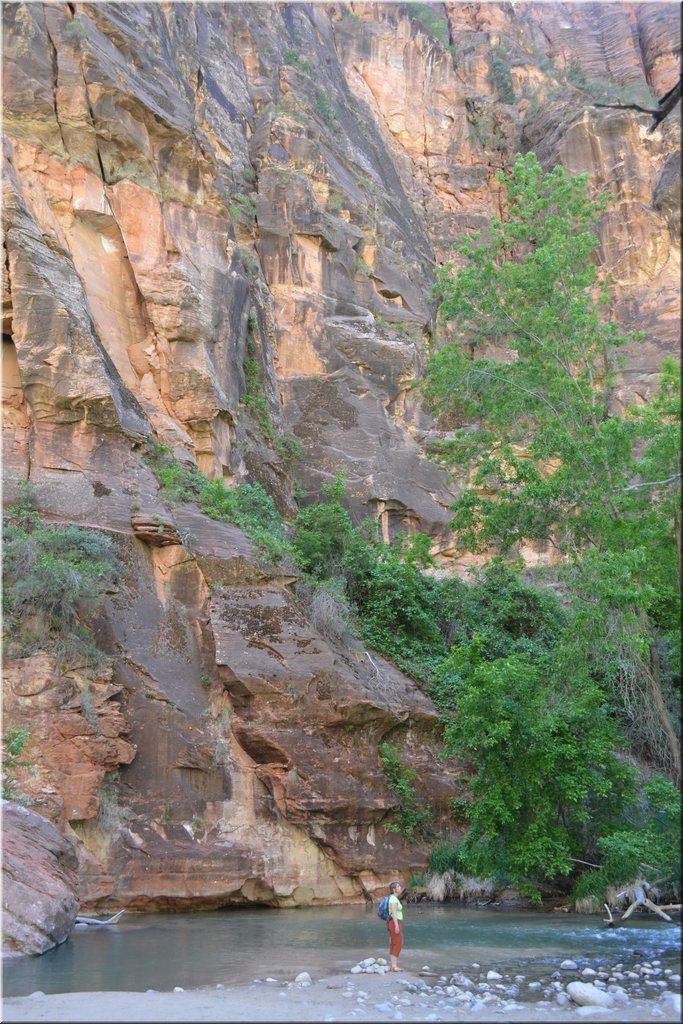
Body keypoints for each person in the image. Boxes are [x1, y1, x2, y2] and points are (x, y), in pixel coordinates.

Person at [387, 879, 404, 972]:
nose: (400, 888)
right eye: (398, 886)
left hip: (396, 922)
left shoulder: (394, 898)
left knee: (396, 943)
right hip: (395, 922)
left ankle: (393, 965)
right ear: (394, 889)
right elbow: (393, 913)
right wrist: (396, 926)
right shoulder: (393, 899)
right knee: (397, 943)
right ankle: (394, 966)